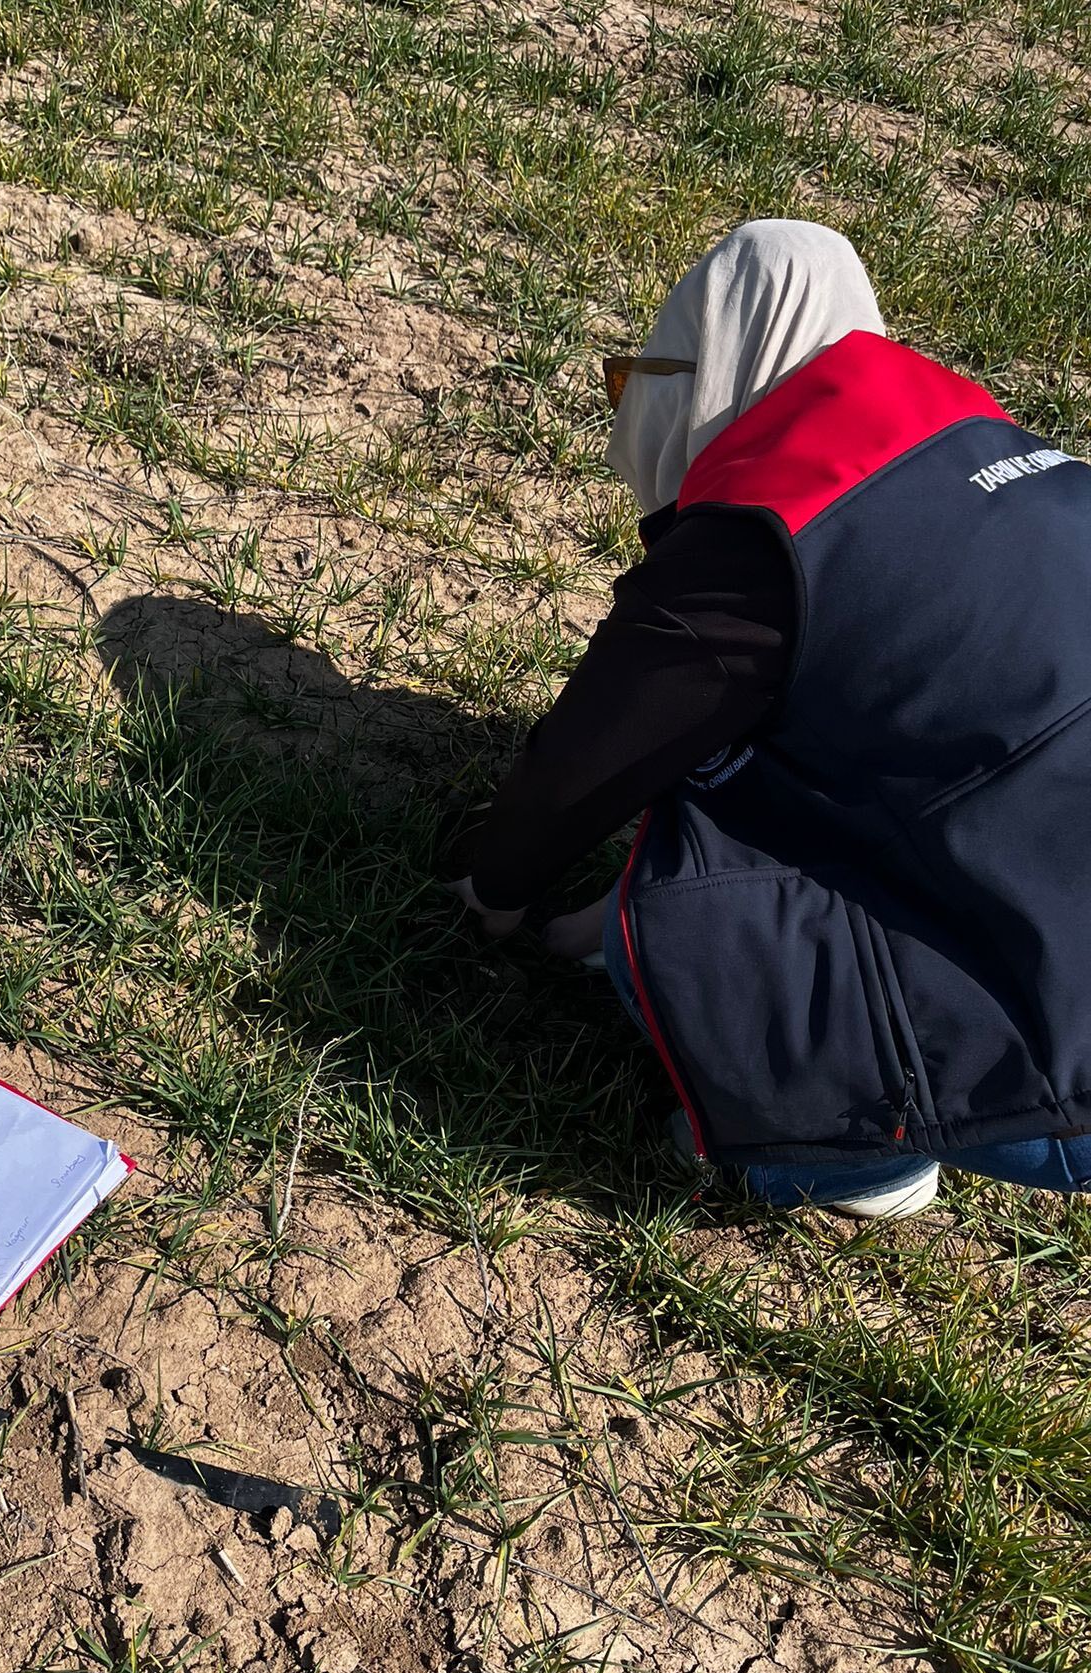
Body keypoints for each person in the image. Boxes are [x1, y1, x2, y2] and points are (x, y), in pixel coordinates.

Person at [450, 217, 1091, 1219]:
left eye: (642, 378)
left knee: (678, 903)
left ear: (707, 370)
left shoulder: (769, 527)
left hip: (1074, 1089)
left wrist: (496, 891)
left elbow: (590, 760)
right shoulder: (989, 450)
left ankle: (852, 1149)